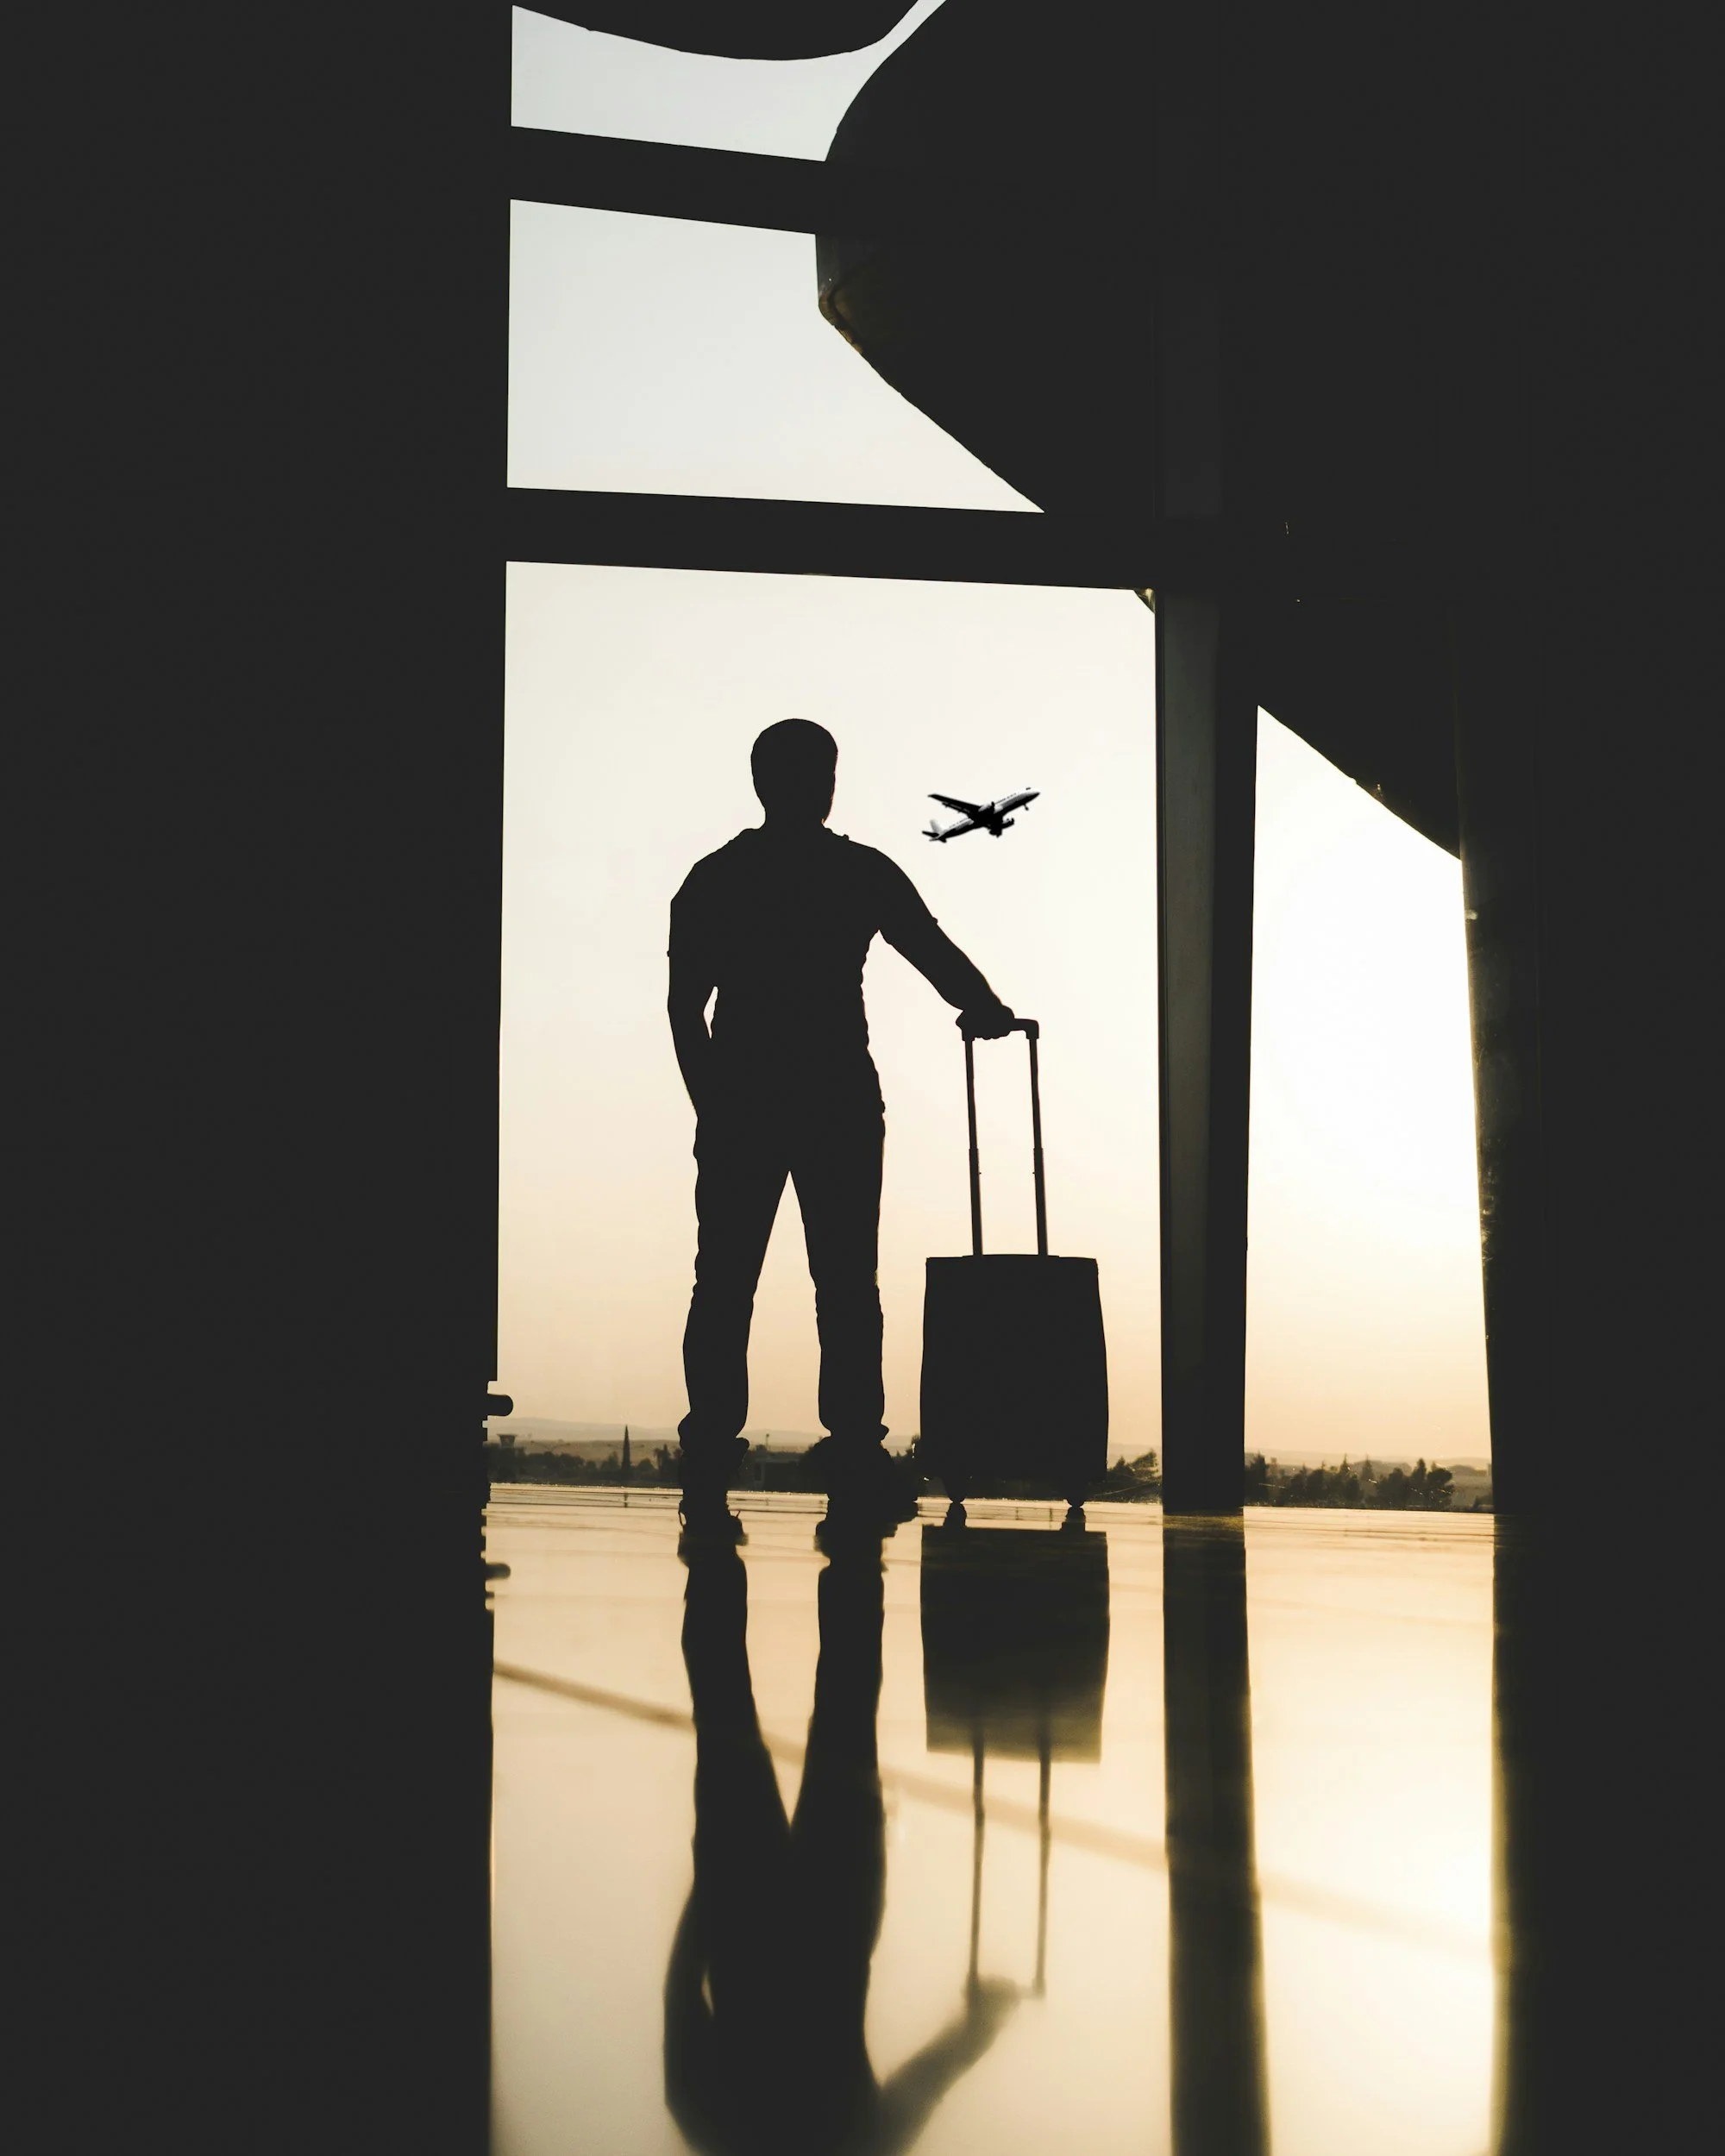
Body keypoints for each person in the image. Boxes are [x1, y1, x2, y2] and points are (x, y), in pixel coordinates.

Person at [669, 718, 1014, 1543]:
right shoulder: (857, 871)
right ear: (825, 782)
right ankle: (855, 1451)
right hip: (835, 1099)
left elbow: (688, 1008)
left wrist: (710, 1104)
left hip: (745, 1099)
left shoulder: (716, 878)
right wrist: (985, 1006)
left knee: (724, 1287)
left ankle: (710, 1455)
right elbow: (926, 946)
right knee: (848, 1287)